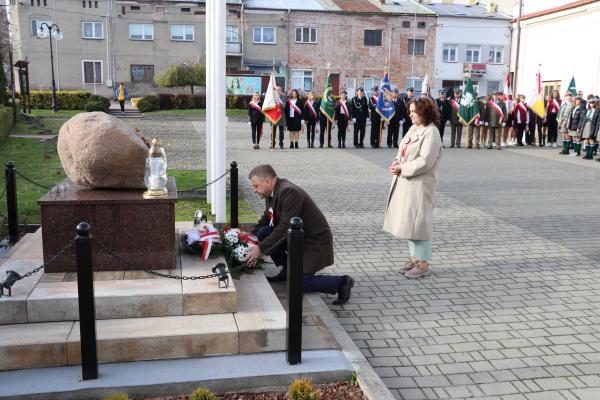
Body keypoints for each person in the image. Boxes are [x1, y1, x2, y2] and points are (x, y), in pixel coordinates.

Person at [246, 164, 355, 305]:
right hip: (297, 238)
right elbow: (267, 218)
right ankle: (288, 270)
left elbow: (284, 228)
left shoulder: (289, 192)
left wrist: (260, 249)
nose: (254, 190)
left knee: (299, 284)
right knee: (264, 232)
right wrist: (248, 237)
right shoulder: (272, 192)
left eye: (256, 186)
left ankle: (342, 282)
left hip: (314, 242)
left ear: (268, 181)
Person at [383, 97, 442, 279]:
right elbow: (402, 151)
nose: (411, 115)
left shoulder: (431, 132)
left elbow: (425, 161)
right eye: (410, 111)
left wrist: (402, 168)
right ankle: (414, 258)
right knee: (410, 223)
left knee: (419, 224)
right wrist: (396, 162)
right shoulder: (415, 128)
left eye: (414, 112)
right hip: (408, 183)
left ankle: (423, 264)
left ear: (425, 112)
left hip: (420, 185)